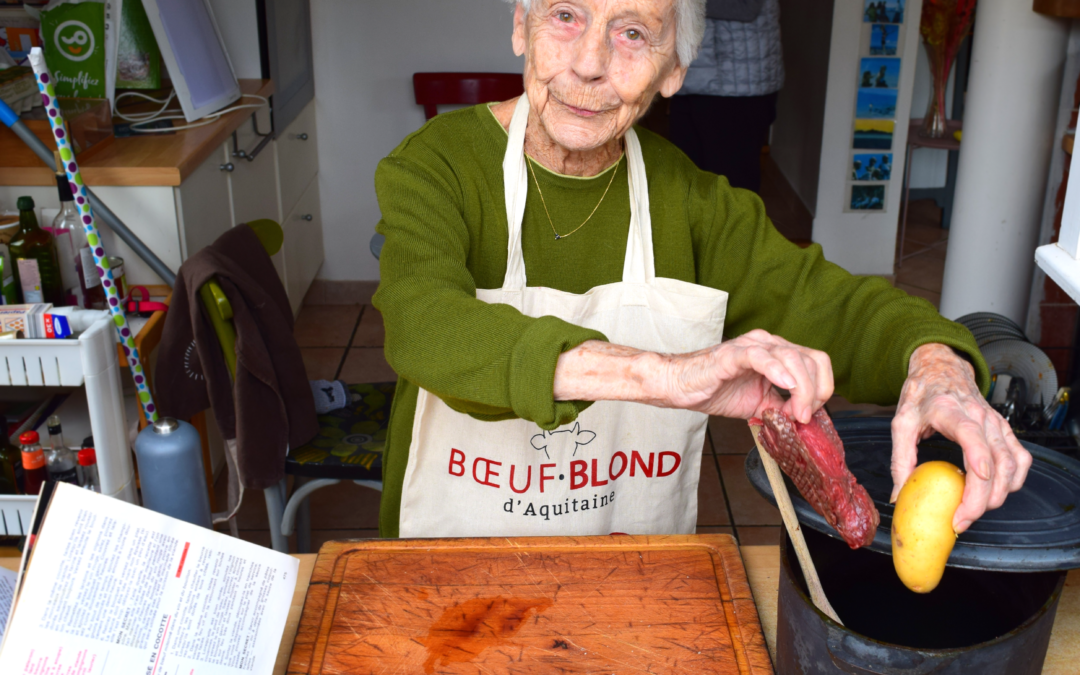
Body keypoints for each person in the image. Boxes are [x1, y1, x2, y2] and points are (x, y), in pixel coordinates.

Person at [373, 0, 1030, 539]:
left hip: (629, 583)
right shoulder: (436, 167)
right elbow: (423, 323)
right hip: (450, 563)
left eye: (633, 33)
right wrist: (667, 374)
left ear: (675, 70)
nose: (589, 64)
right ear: (521, 25)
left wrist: (937, 365)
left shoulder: (694, 202)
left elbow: (837, 307)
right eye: (565, 16)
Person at [667, 0, 783, 193]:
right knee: (686, 183)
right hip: (692, 81)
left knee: (733, 189)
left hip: (737, 87)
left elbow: (746, 8)